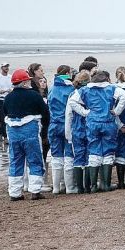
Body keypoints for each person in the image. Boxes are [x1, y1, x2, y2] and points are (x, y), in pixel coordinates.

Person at [69, 71, 125, 192]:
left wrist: (85, 112)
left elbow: (72, 101)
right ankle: (106, 184)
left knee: (93, 150)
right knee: (108, 151)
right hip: (108, 122)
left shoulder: (85, 90)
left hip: (93, 122)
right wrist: (117, 111)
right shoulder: (112, 88)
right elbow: (124, 96)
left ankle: (93, 186)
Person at [2, 69, 50, 201]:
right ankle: (35, 191)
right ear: (24, 82)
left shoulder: (8, 97)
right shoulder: (34, 95)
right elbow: (45, 113)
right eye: (28, 80)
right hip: (30, 131)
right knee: (35, 160)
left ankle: (15, 192)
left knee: (15, 162)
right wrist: (45, 129)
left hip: (13, 133)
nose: (29, 81)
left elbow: (5, 112)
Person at [47, 65, 76, 194]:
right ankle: (69, 187)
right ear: (67, 74)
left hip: (54, 125)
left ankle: (56, 187)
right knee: (69, 156)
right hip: (67, 125)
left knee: (56, 156)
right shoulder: (70, 89)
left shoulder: (52, 88)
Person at [65, 72, 91, 193]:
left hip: (77, 127)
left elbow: (69, 115)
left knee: (78, 156)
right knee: (89, 155)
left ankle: (80, 187)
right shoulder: (91, 92)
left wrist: (68, 133)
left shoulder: (73, 94)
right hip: (90, 126)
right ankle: (88, 185)